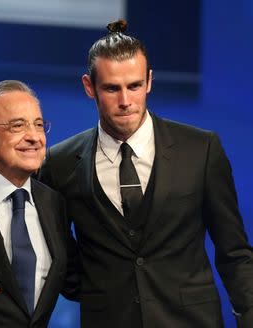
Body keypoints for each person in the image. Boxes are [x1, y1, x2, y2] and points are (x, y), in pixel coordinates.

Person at [39, 19, 253, 328]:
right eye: (112, 88)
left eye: (134, 86)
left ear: (149, 81)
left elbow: (234, 251)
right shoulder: (59, 162)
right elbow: (52, 246)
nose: (125, 101)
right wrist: (97, 287)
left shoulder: (201, 149)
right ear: (89, 87)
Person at [0, 80, 77, 327]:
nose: (33, 137)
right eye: (17, 125)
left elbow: (75, 282)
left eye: (38, 125)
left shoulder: (53, 203)